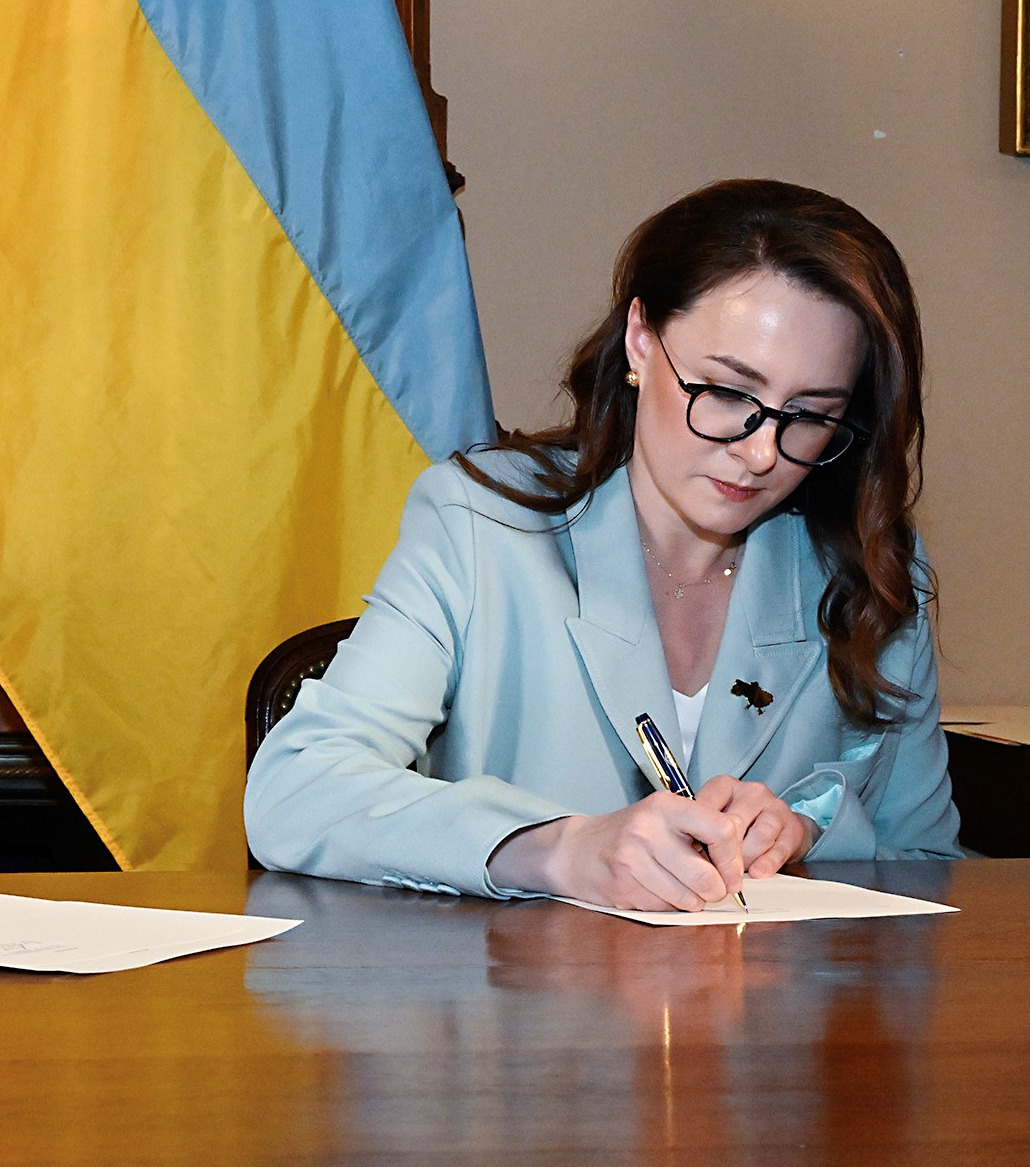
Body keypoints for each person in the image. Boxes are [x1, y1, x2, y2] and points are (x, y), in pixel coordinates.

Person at [246, 179, 959, 910]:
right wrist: (557, 848)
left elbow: (930, 865)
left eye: (808, 415)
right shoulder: (479, 523)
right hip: (521, 1011)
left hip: (767, 1013)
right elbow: (297, 789)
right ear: (641, 340)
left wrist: (806, 832)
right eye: (725, 393)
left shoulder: (868, 568)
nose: (760, 454)